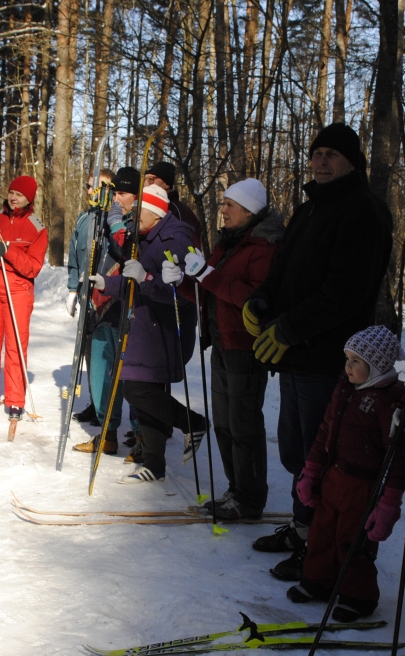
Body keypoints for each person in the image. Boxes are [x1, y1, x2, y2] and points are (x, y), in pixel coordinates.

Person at [243, 123, 393, 581]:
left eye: (332, 154)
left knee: (321, 455)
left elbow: (345, 293)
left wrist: (288, 328)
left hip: (331, 358)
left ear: (352, 162)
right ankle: (302, 528)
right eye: (317, 153)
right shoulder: (310, 209)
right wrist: (261, 300)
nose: (321, 161)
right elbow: (283, 272)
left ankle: (321, 545)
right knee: (297, 452)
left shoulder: (363, 211)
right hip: (295, 355)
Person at [162, 178, 283, 519]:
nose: (223, 210)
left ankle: (250, 498)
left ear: (250, 211)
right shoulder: (228, 243)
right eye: (224, 204)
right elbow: (207, 290)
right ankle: (236, 489)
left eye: (230, 205)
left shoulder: (264, 247)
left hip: (246, 347)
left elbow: (253, 299)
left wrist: (207, 274)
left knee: (244, 425)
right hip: (221, 343)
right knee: (225, 424)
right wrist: (182, 282)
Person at [285, 325, 405, 622]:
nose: (348, 366)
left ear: (376, 365)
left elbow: (399, 458)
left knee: (353, 541)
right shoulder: (344, 389)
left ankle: (358, 595)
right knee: (322, 532)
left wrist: (389, 503)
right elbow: (324, 433)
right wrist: (311, 472)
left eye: (356, 361)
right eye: (347, 359)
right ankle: (320, 580)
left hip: (363, 487)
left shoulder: (390, 403)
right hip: (333, 478)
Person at [90, 184, 203, 484]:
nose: (133, 215)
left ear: (155, 213)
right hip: (143, 323)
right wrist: (106, 284)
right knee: (142, 393)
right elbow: (133, 282)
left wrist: (147, 277)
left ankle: (192, 422)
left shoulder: (175, 239)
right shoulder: (144, 236)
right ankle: (154, 464)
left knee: (136, 389)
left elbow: (180, 293)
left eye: (140, 211)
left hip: (162, 330)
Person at [0, 176, 48, 421]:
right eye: (12, 192)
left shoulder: (37, 227)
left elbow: (33, 267)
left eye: (20, 195)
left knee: (15, 346)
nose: (13, 198)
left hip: (18, 291)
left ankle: (15, 400)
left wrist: (8, 251)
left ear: (29, 199)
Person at [66, 167, 125, 454]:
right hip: (88, 299)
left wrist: (113, 219)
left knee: (116, 366)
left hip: (112, 300)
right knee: (94, 360)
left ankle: (137, 431)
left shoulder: (119, 218)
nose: (91, 192)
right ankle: (101, 416)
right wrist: (72, 289)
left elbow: (123, 250)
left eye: (98, 186)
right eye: (89, 186)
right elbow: (75, 254)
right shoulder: (84, 218)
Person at [145, 160, 204, 249]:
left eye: (151, 179)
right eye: (144, 179)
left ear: (167, 184)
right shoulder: (143, 208)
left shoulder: (179, 211)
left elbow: (189, 247)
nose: (146, 184)